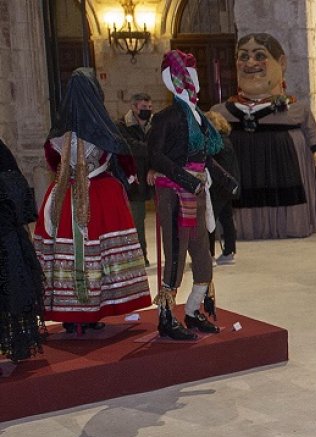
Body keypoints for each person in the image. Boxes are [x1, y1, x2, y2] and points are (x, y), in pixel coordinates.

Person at [35, 68, 151, 334]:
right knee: (99, 253)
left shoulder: (57, 134)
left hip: (63, 196)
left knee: (61, 252)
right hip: (100, 196)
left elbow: (52, 162)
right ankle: (96, 309)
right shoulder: (104, 130)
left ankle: (69, 313)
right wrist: (132, 178)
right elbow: (125, 158)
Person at [209, 33, 316, 240]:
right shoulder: (221, 112)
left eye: (259, 55)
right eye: (243, 57)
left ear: (281, 63)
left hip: (283, 168)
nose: (250, 63)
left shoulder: (295, 109)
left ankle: (288, 224)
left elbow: (309, 130)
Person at [149, 50, 227, 340]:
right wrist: (183, 178)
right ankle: (166, 317)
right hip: (174, 194)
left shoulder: (199, 116)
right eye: (188, 74)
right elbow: (155, 155)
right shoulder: (166, 118)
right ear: (175, 79)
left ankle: (193, 309)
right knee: (176, 255)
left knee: (203, 255)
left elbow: (203, 156)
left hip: (198, 191)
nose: (195, 80)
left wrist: (225, 180)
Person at [0, 137, 46, 362]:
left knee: (12, 290)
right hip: (8, 233)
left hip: (6, 234)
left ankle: (18, 342)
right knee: (12, 289)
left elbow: (13, 187)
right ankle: (17, 343)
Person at [116, 92, 154, 263]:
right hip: (134, 180)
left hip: (154, 175)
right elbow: (130, 148)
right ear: (134, 107)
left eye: (149, 107)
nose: (147, 110)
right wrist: (153, 149)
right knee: (137, 220)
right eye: (143, 107)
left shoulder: (155, 124)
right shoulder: (122, 126)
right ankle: (140, 257)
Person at [204, 111, 241, 264]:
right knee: (226, 219)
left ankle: (209, 254)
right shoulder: (225, 140)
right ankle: (229, 251)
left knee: (210, 220)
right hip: (227, 185)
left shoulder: (217, 143)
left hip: (218, 186)